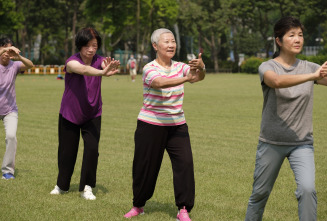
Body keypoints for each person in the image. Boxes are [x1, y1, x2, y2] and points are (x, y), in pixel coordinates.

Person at [244, 16, 327, 221]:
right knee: (259, 194)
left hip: (301, 143)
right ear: (279, 40)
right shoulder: (268, 67)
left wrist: (317, 74)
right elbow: (276, 82)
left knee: (308, 190)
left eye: (300, 35)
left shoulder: (310, 67)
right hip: (271, 142)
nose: (297, 39)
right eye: (291, 35)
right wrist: (313, 76)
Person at [124, 28, 206, 221]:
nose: (171, 45)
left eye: (173, 41)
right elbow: (160, 83)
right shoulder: (149, 68)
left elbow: (197, 77)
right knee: (145, 167)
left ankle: (183, 209)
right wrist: (187, 78)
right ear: (155, 46)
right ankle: (138, 205)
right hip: (150, 124)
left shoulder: (180, 66)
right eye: (166, 42)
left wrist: (201, 68)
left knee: (185, 164)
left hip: (177, 125)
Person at [50, 27, 120, 200]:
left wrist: (107, 67)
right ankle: (62, 185)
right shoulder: (72, 62)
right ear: (80, 45)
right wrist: (102, 72)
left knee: (92, 149)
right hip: (70, 113)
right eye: (87, 45)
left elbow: (104, 64)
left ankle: (86, 187)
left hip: (93, 113)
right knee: (67, 152)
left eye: (94, 45)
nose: (91, 49)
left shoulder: (100, 60)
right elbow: (83, 70)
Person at [0, 38, 34, 180]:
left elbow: (30, 65)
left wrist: (18, 56)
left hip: (10, 109)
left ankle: (8, 171)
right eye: (5, 50)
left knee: (11, 136)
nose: (8, 53)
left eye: (10, 50)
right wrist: (3, 50)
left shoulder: (14, 66)